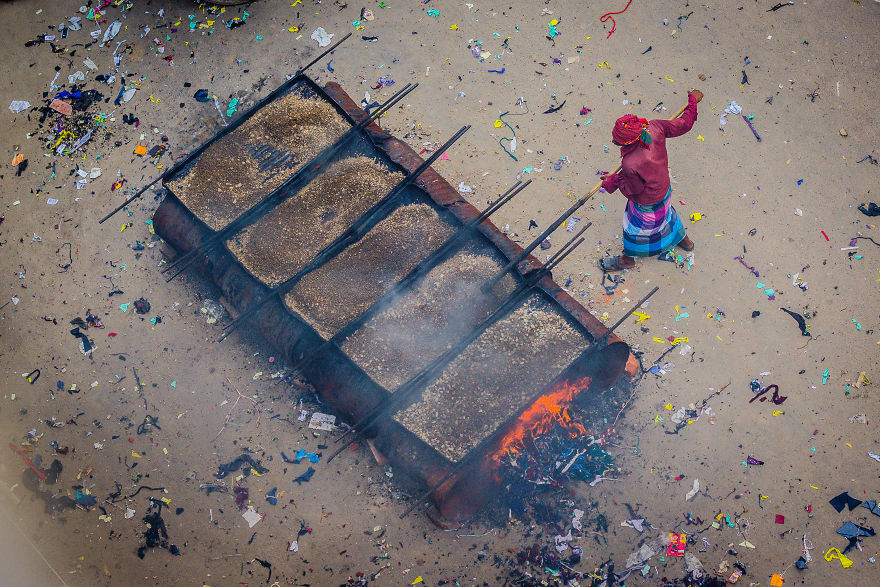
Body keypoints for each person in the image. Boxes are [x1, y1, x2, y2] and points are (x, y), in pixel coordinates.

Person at [598, 89, 703, 271]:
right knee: (667, 215)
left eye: (618, 142)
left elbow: (633, 190)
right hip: (664, 187)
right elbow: (684, 124)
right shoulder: (654, 127)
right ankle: (684, 240)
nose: (616, 144)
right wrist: (692, 102)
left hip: (647, 200)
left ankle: (627, 260)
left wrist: (614, 181)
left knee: (634, 231)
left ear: (629, 142)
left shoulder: (630, 163)